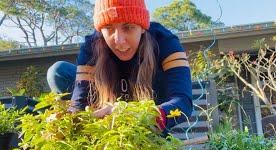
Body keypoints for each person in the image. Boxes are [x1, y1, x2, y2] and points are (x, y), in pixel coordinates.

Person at [47, 0, 192, 135]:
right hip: (106, 112)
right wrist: (63, 125)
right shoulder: (92, 46)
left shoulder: (165, 42)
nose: (119, 41)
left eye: (128, 27)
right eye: (108, 28)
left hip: (150, 120)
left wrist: (139, 115)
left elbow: (182, 101)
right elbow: (79, 104)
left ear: (142, 27)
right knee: (59, 71)